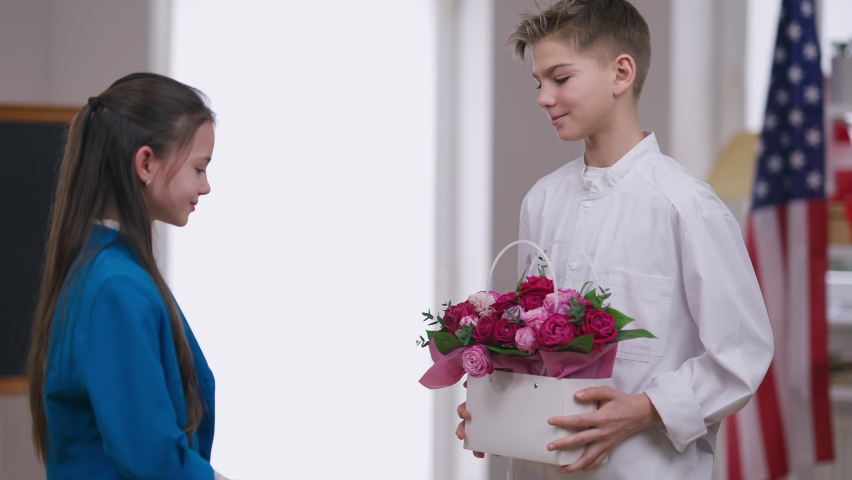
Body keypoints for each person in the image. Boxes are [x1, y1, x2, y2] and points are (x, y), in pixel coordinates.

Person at [455, 1, 774, 479]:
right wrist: (497, 403)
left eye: (560, 78)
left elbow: (742, 353)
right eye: (539, 83)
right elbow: (533, 345)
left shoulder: (688, 207)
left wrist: (647, 408)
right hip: (540, 465)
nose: (543, 98)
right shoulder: (541, 200)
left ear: (621, 73)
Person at [26, 73, 231, 480]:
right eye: (199, 168)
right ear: (146, 163)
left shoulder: (107, 266)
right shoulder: (115, 287)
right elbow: (152, 458)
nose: (206, 186)